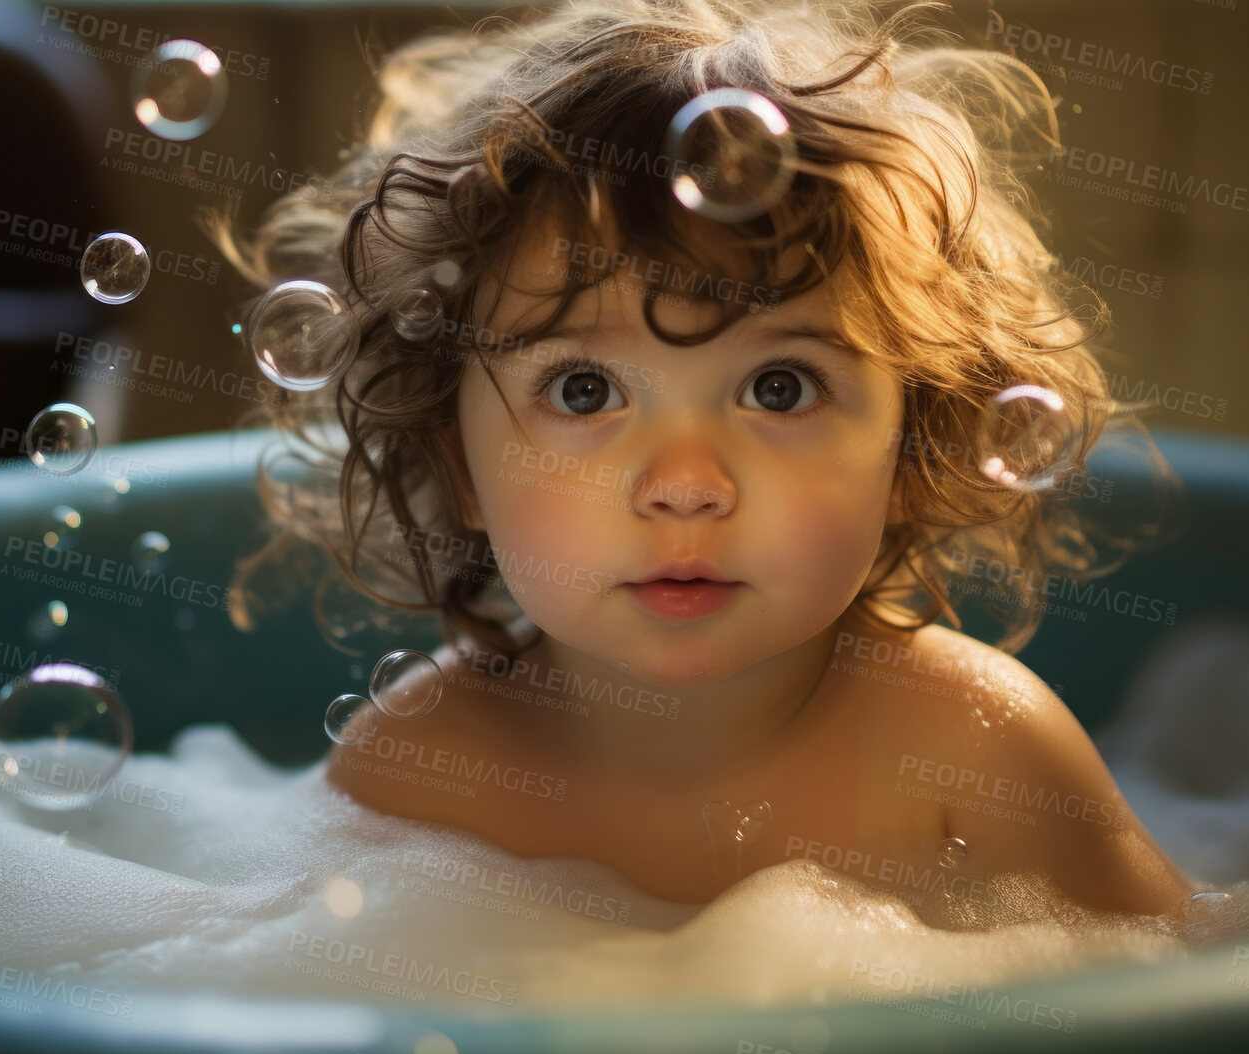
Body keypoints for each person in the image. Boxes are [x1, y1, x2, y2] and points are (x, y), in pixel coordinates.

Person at [209, 0, 1196, 925]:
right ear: (455, 460)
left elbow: (1189, 1013)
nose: (683, 484)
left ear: (912, 448)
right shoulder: (421, 769)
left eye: (779, 389)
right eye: (585, 391)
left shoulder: (973, 753)